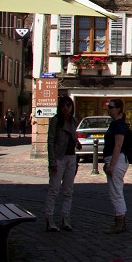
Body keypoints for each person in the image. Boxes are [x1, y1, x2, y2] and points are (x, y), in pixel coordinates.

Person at [45, 97, 80, 231]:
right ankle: (49, 218)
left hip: (71, 158)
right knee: (54, 189)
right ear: (60, 107)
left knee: (68, 191)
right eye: (64, 105)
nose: (66, 108)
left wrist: (76, 142)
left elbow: (73, 137)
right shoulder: (56, 121)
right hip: (59, 158)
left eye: (69, 105)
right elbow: (51, 141)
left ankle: (66, 218)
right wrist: (52, 161)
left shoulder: (73, 120)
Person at [102, 99, 130, 233]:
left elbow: (118, 146)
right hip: (115, 160)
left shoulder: (119, 125)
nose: (109, 109)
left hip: (118, 161)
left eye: (111, 107)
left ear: (119, 109)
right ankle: (120, 221)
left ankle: (120, 222)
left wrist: (111, 165)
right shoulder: (115, 124)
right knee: (115, 191)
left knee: (116, 192)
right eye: (108, 107)